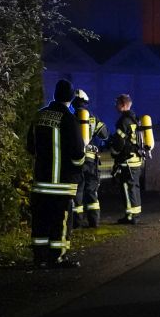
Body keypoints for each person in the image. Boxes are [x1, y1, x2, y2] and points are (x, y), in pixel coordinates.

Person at [27, 79, 85, 268]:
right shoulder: (69, 119)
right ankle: (57, 257)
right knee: (60, 221)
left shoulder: (39, 116)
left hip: (40, 183)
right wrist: (77, 169)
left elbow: (30, 146)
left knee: (41, 220)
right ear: (71, 97)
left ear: (54, 94)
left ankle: (39, 257)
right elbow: (78, 152)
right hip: (62, 184)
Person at [71, 90, 109, 228]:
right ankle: (94, 221)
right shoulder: (93, 118)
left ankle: (77, 222)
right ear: (86, 102)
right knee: (91, 190)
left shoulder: (70, 117)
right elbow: (105, 135)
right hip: (91, 161)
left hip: (77, 160)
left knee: (78, 190)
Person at [108, 94, 146, 225]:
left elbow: (119, 142)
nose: (115, 106)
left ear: (123, 104)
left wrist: (113, 152)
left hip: (127, 160)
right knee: (134, 186)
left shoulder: (123, 121)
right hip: (137, 158)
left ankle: (130, 216)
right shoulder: (135, 118)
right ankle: (136, 214)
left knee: (127, 187)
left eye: (117, 103)